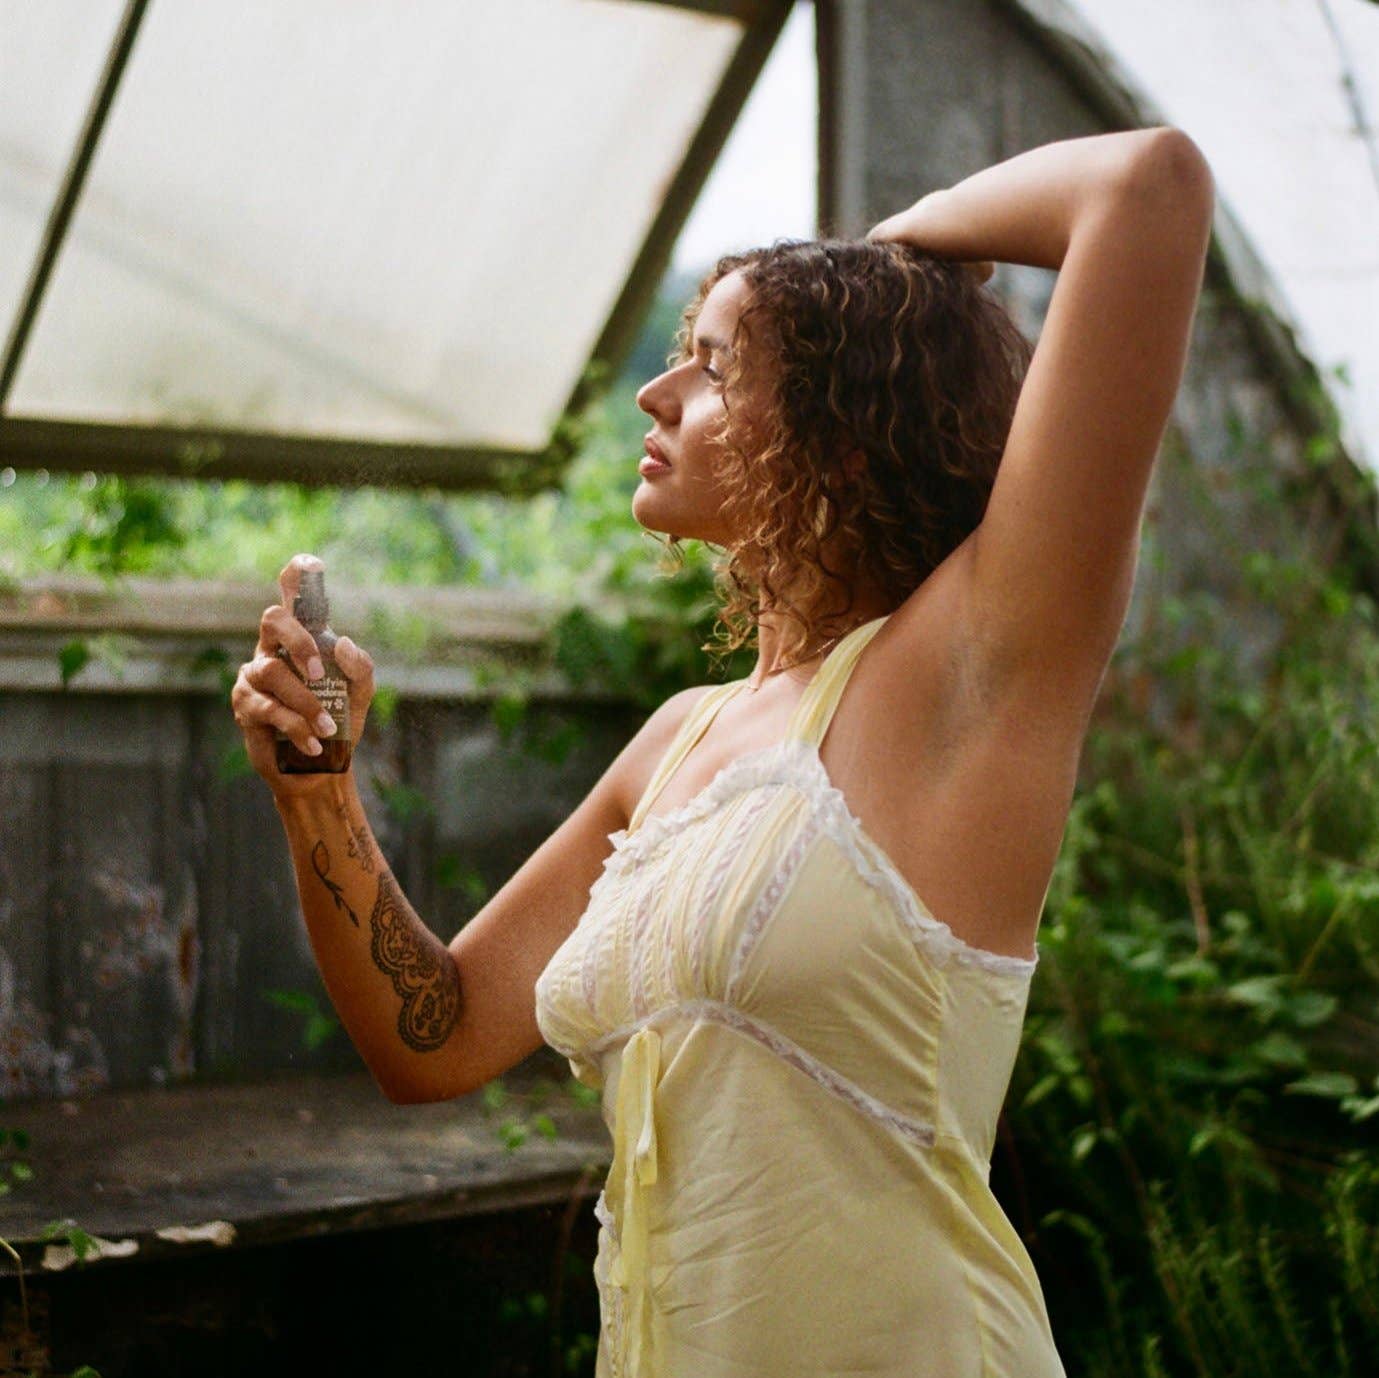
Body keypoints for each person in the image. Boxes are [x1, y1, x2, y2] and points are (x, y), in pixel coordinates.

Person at [231, 125, 1215, 1377]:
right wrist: (316, 793)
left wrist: (886, 251)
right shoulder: (675, 741)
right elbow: (436, 1036)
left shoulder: (967, 676)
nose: (656, 395)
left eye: (710, 364)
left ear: (841, 424)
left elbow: (1146, 187)